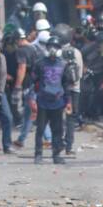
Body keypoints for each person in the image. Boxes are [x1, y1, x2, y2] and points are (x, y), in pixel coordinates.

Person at [30, 33, 74, 164]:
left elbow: (66, 84)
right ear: (46, 48)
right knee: (40, 129)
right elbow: (32, 82)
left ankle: (56, 155)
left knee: (58, 130)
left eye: (55, 47)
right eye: (50, 47)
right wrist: (32, 99)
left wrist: (69, 102)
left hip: (58, 102)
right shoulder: (39, 63)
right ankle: (38, 154)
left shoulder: (64, 65)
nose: (53, 49)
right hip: (42, 101)